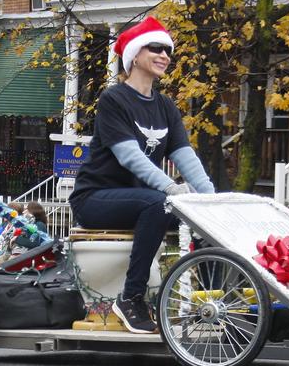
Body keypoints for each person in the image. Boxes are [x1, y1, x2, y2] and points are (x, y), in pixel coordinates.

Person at [68, 17, 214, 334]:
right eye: (156, 48)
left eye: (168, 50)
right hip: (95, 199)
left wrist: (212, 201)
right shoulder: (114, 99)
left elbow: (185, 157)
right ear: (135, 55)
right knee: (160, 203)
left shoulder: (165, 106)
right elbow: (130, 156)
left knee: (200, 218)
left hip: (144, 201)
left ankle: (215, 302)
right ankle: (131, 298)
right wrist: (171, 188)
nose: (165, 55)